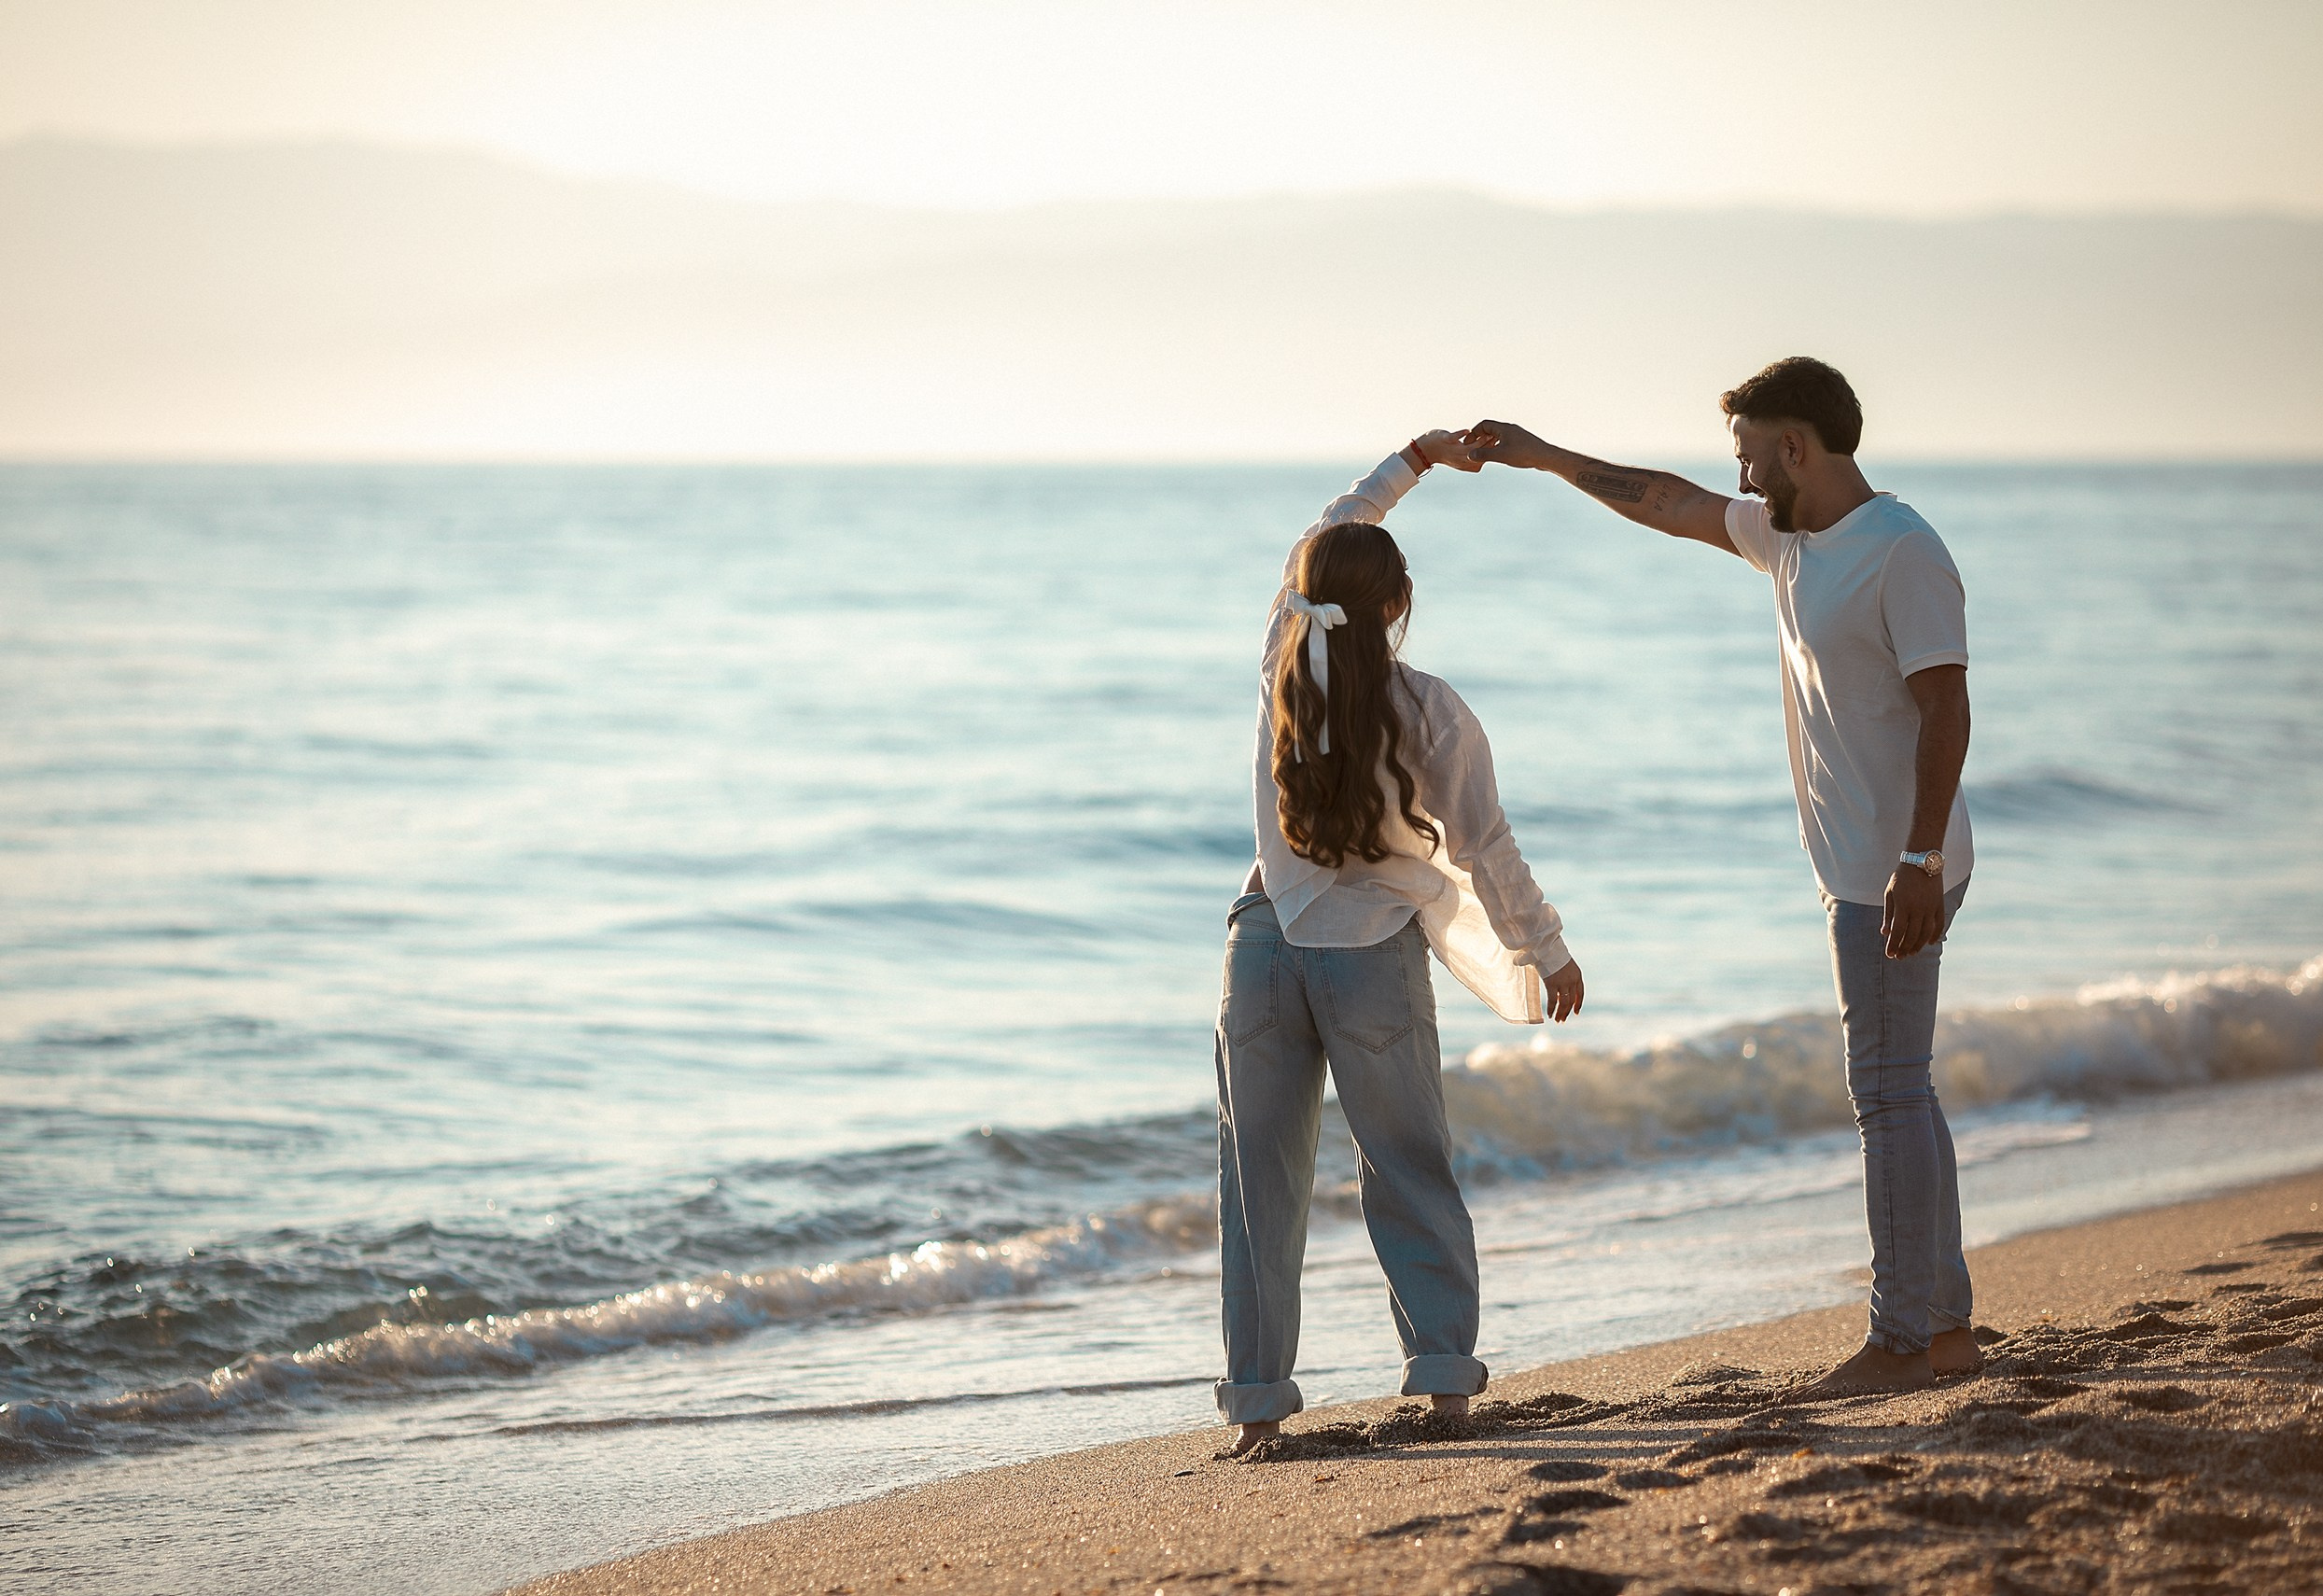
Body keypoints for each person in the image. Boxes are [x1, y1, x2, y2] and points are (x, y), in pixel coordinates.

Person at [1466, 357, 1979, 1397]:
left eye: (1749, 454)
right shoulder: (1790, 539)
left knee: (1882, 1093)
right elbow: (1668, 502)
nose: (1738, 478)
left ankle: (1896, 1343)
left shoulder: (1901, 553)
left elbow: (1946, 711)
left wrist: (1917, 861)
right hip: (1868, 866)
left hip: (1895, 869)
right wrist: (1541, 456)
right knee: (1904, 1089)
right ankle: (1946, 1325)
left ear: (1796, 446)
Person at [1214, 429, 1584, 1455]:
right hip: (1367, 951)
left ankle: (1254, 1411)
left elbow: (1327, 530)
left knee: (1258, 1185)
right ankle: (1441, 1386)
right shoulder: (1430, 709)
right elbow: (1485, 843)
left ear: (1305, 592)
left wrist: (1408, 462)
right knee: (1407, 1165)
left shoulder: (1276, 657)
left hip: (1261, 944)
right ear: (1396, 608)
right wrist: (1542, 949)